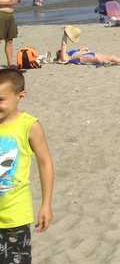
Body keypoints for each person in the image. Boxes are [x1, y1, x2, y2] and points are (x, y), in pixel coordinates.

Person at [0, 68, 55, 260]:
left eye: (1, 100)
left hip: (15, 217)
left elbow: (45, 163)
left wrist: (46, 204)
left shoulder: (29, 126)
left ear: (20, 96)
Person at [56, 26, 120, 66]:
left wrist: (83, 49)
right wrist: (65, 35)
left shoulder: (70, 53)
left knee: (111, 57)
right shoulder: (65, 58)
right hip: (85, 58)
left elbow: (80, 49)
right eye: (61, 52)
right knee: (105, 59)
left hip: (89, 54)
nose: (63, 51)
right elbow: (64, 44)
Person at [0, 0, 20, 68]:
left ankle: (10, 64)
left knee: (10, 40)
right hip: (1, 14)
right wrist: (10, 3)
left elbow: (17, 1)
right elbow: (9, 2)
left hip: (10, 15)